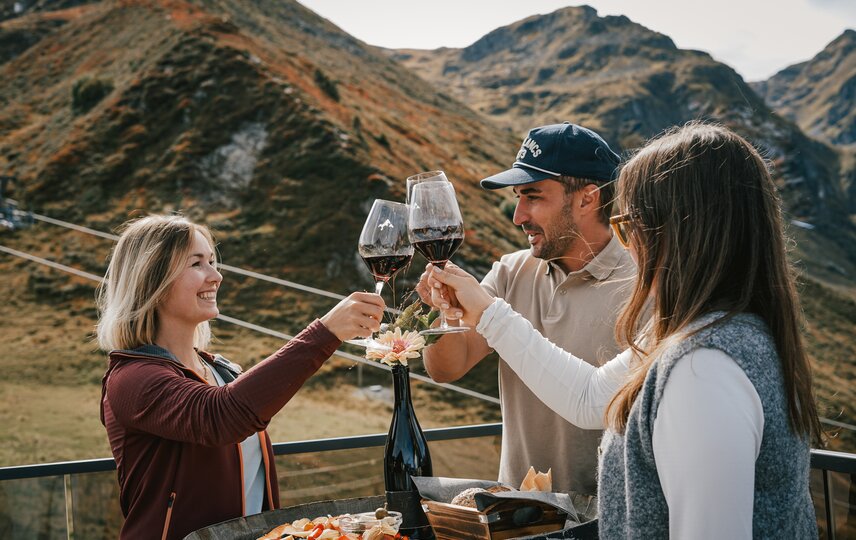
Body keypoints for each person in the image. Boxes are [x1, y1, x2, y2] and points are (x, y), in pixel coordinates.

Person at [428, 122, 823, 539]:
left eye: (632, 224)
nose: (630, 245)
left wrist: (489, 313)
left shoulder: (703, 368)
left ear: (681, 229)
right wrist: (484, 313)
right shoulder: (718, 333)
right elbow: (590, 397)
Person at [97, 214, 385, 540]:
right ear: (152, 279)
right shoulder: (132, 379)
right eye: (197, 264)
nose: (216, 275)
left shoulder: (221, 370)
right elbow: (221, 416)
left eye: (212, 261)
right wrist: (325, 333)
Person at [417, 122, 635, 501]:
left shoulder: (644, 283)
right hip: (519, 515)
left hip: (606, 517)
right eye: (518, 197)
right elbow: (445, 368)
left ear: (588, 199)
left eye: (533, 197)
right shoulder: (510, 272)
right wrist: (445, 313)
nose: (518, 216)